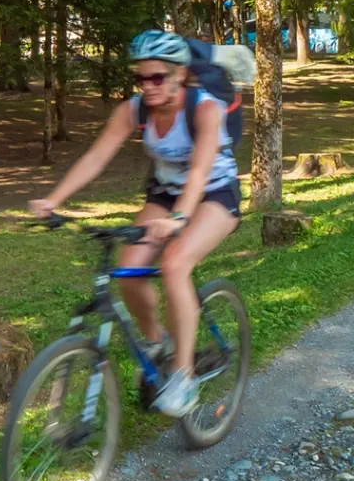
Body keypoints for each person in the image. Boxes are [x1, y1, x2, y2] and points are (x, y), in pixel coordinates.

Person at [28, 30, 241, 419]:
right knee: (127, 272)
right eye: (141, 78)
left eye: (157, 77)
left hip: (214, 194)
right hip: (164, 195)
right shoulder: (134, 110)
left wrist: (178, 220)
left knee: (176, 264)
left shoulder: (205, 110)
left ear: (179, 75)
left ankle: (183, 376)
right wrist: (53, 200)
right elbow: (96, 158)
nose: (148, 86)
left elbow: (198, 173)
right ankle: (159, 344)